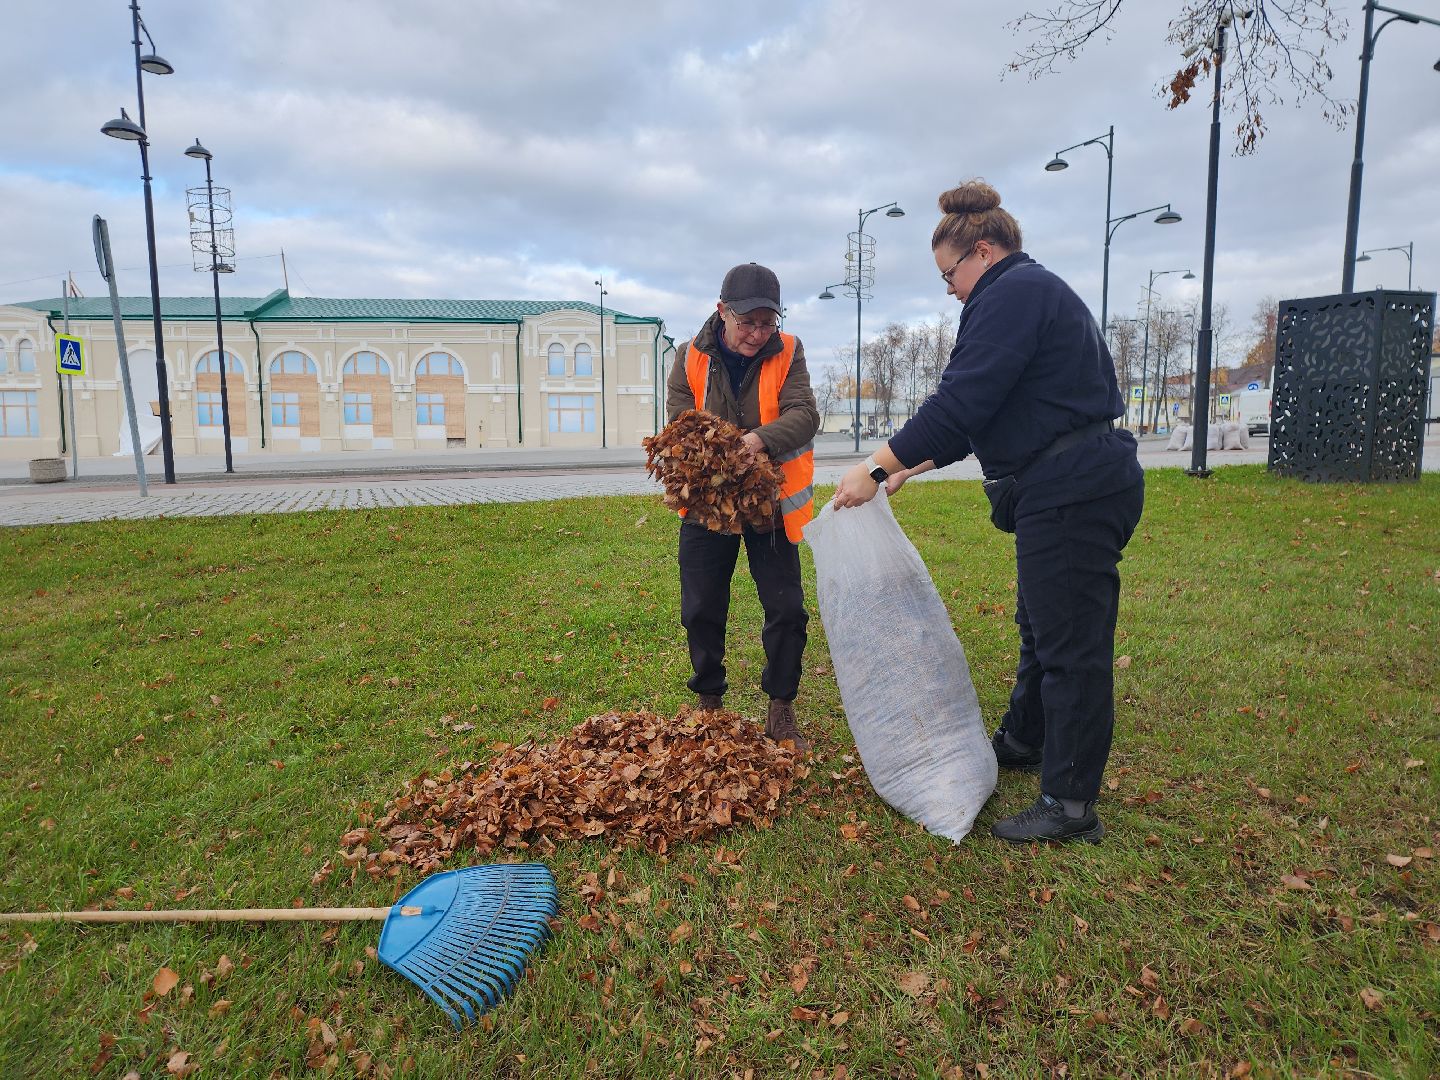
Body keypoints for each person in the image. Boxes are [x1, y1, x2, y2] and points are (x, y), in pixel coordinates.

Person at [833, 180, 1145, 843]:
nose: (949, 290)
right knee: (1040, 625)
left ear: (982, 250)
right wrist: (911, 466)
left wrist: (874, 466)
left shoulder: (1012, 293)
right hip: (1062, 484)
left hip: (1074, 488)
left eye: (949, 275)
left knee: (1071, 648)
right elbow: (985, 413)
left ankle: (1069, 806)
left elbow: (960, 401)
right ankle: (1027, 739)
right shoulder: (1019, 296)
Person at [666, 262, 821, 751]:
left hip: (769, 504)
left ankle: (780, 706)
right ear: (722, 313)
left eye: (767, 322)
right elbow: (678, 419)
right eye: (747, 322)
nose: (758, 333)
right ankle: (709, 700)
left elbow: (804, 415)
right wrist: (711, 454)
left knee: (786, 609)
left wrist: (756, 441)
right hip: (708, 507)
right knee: (701, 608)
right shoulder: (689, 356)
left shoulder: (789, 351)